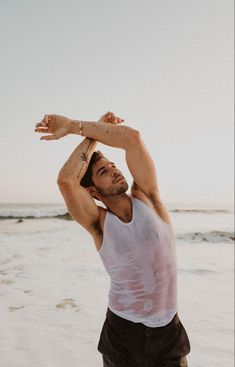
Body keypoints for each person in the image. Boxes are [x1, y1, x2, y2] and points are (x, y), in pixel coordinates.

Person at [34, 112, 191, 367]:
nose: (115, 171)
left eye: (113, 166)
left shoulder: (148, 198)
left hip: (168, 332)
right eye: (104, 171)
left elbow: (133, 139)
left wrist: (77, 126)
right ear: (92, 191)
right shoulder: (98, 223)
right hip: (122, 333)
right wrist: (92, 138)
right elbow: (66, 181)